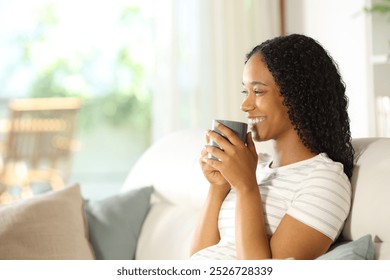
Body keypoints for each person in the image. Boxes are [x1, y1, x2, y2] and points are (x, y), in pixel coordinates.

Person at [189, 34, 354, 260]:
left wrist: (246, 186)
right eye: (245, 92)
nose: (245, 105)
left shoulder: (325, 180)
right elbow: (197, 259)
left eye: (258, 91)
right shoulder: (255, 168)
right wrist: (219, 187)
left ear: (297, 95)